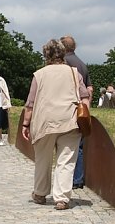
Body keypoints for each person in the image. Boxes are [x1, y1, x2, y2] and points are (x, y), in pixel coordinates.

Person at [22, 38, 90, 210]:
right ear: (63, 53)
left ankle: (40, 193)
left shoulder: (39, 74)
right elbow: (84, 97)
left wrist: (25, 124)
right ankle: (61, 198)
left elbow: (30, 103)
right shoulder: (74, 73)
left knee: (42, 159)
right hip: (69, 119)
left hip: (44, 121)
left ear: (46, 55)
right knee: (66, 160)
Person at [61, 35, 93, 190]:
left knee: (66, 148)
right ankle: (78, 179)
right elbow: (90, 88)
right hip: (82, 108)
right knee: (79, 146)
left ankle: (71, 180)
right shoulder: (82, 63)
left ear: (62, 47)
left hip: (69, 108)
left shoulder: (65, 63)